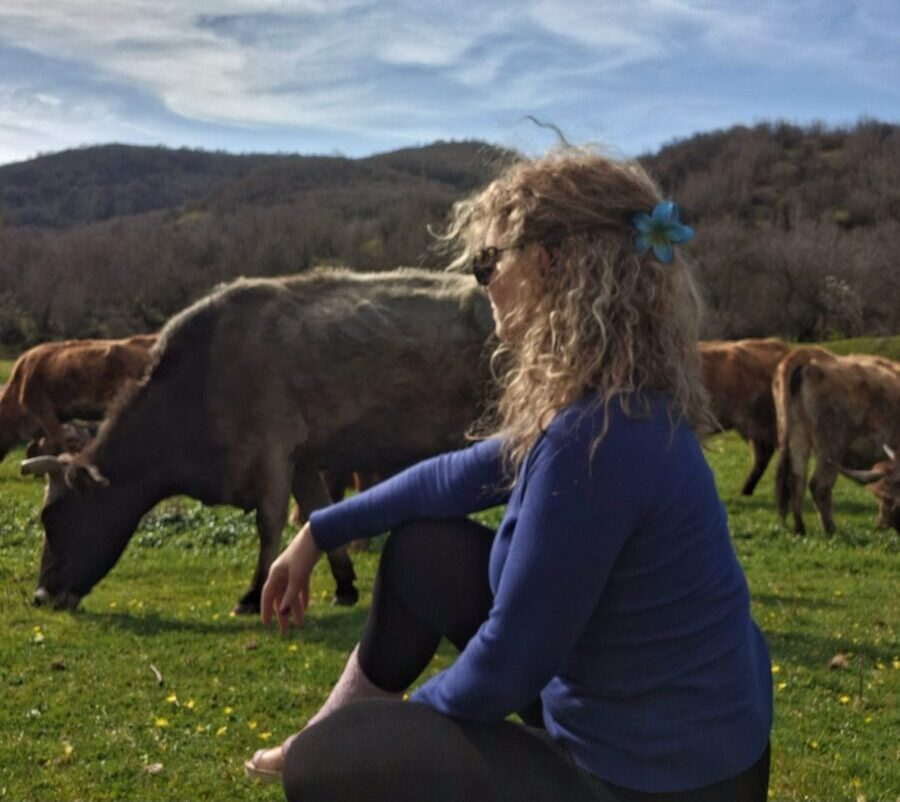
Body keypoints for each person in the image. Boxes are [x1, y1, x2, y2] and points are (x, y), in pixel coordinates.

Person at [243, 147, 773, 802]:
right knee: (420, 552)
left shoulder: (593, 444)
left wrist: (393, 728)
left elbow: (507, 665)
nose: (480, 281)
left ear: (548, 264)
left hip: (650, 783)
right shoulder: (618, 407)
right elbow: (454, 477)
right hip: (684, 745)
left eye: (488, 262)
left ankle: (339, 733)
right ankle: (344, 721)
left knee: (330, 766)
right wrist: (319, 533)